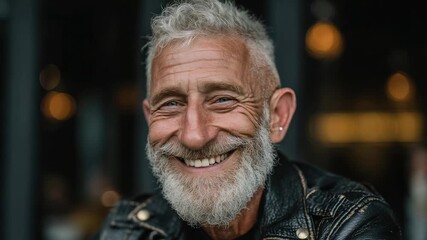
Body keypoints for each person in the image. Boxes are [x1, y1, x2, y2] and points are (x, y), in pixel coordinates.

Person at [95, 0, 401, 239]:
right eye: (172, 104)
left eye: (223, 100)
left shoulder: (350, 224)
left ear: (278, 116)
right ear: (150, 120)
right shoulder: (130, 229)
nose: (194, 135)